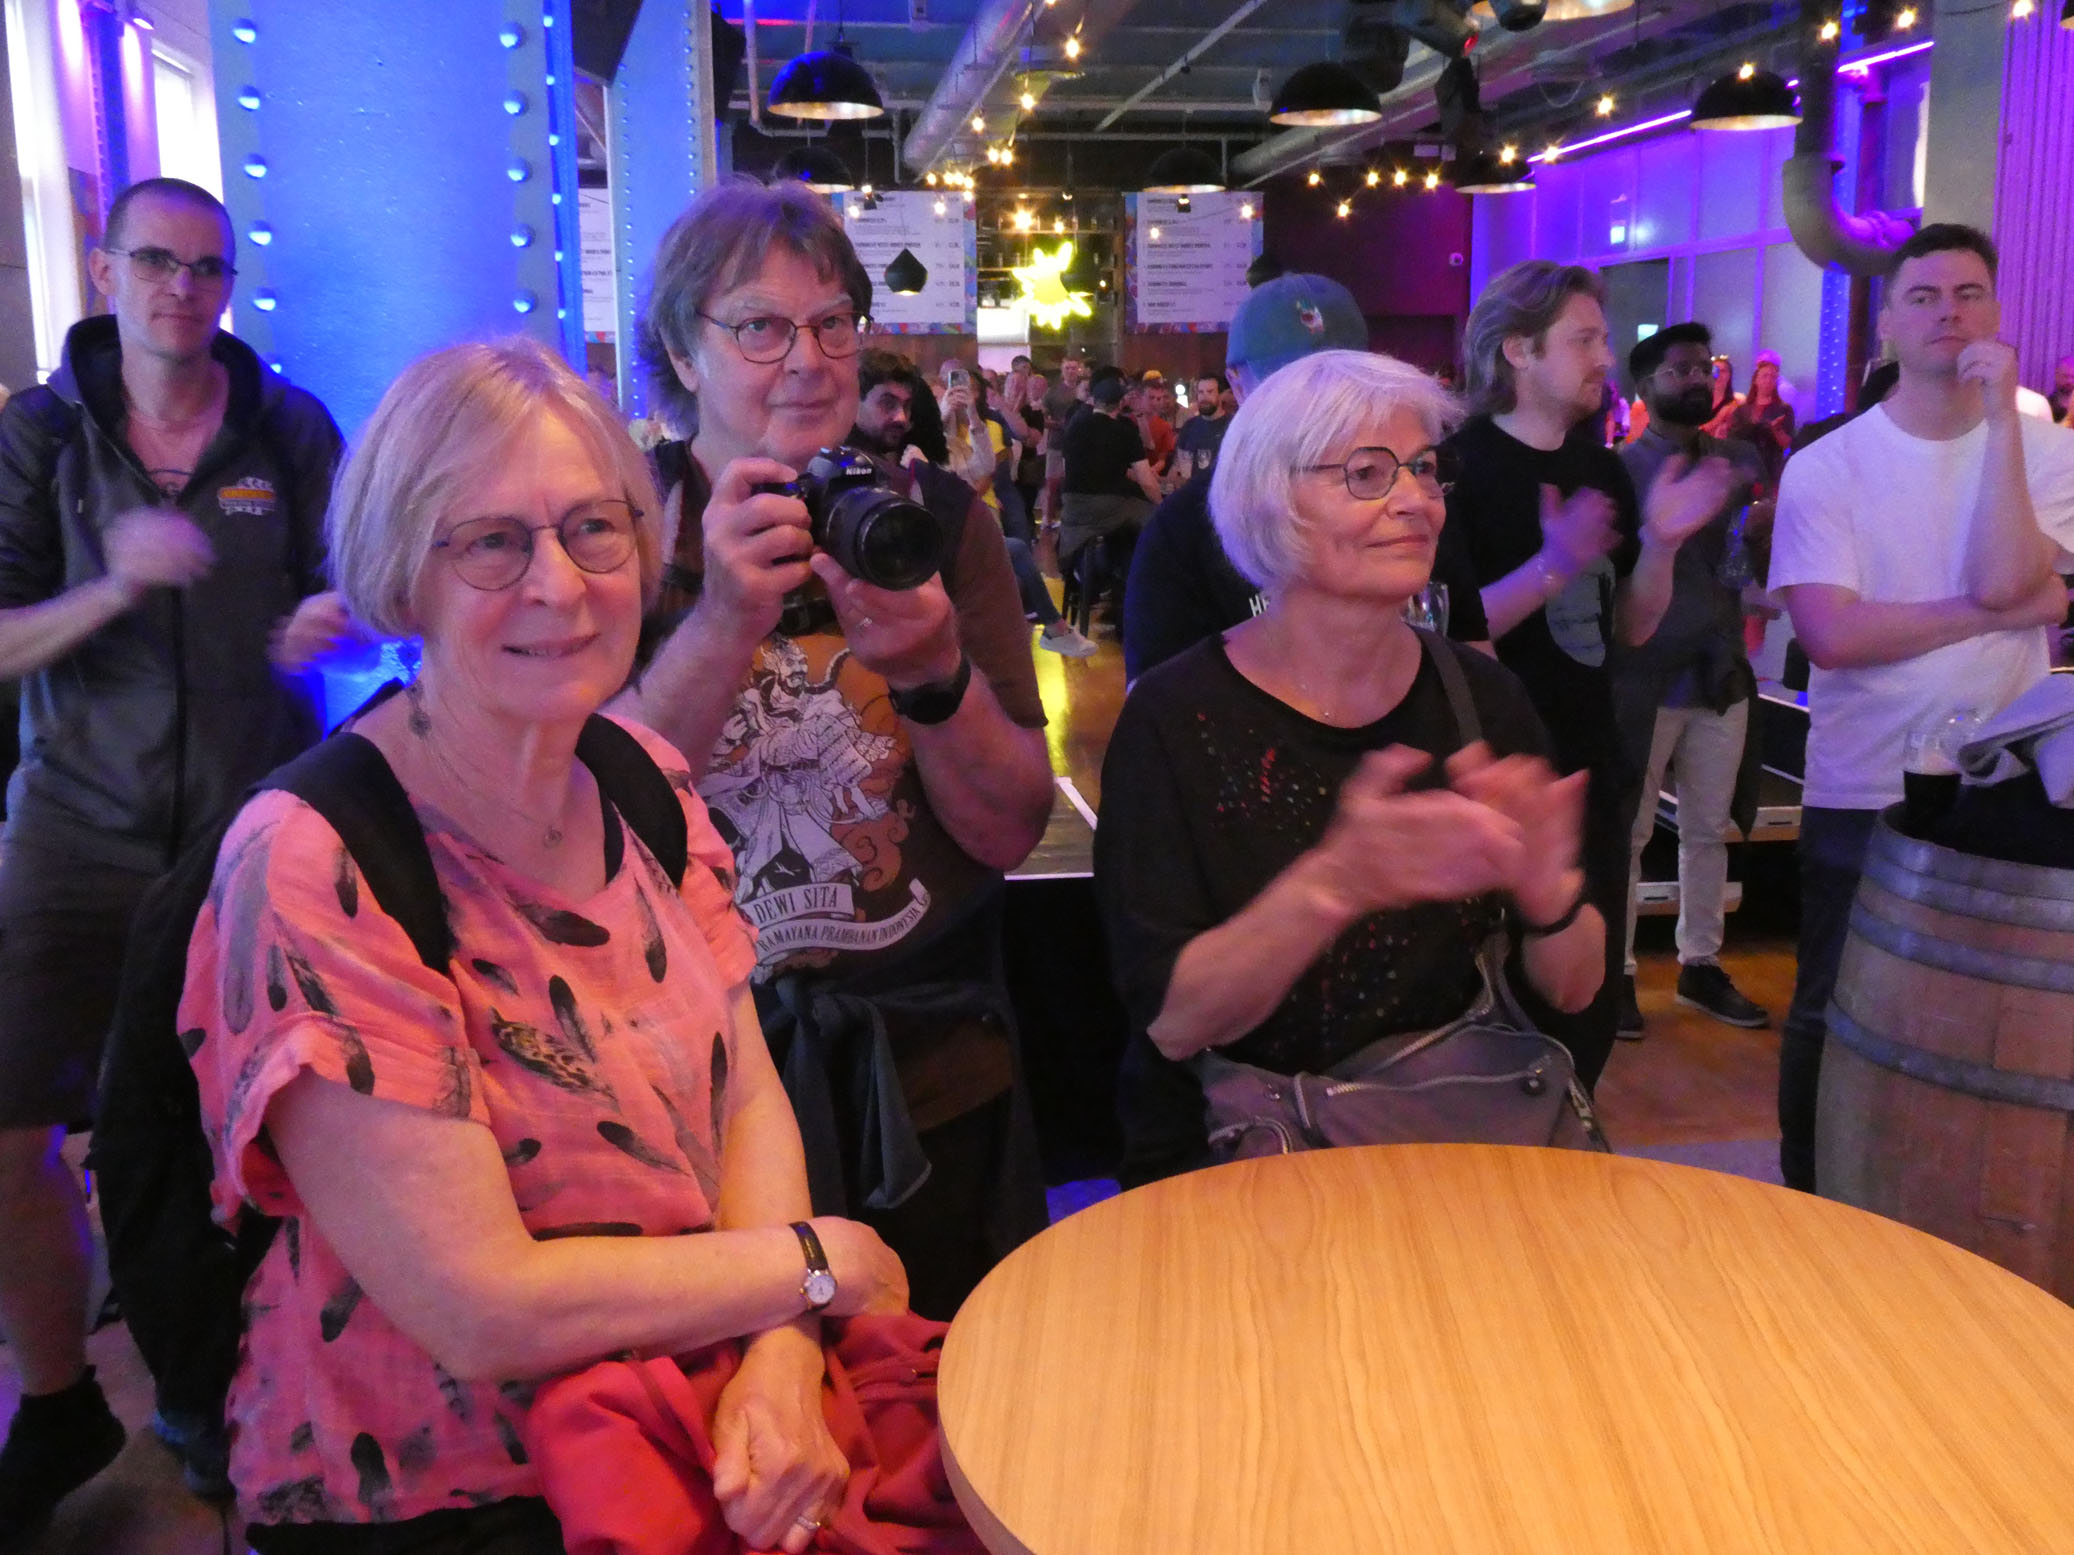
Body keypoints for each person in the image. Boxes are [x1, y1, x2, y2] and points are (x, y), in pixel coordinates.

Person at [181, 337, 915, 1549]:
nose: (560, 587)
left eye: (593, 529)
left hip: (688, 1421)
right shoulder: (316, 857)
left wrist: (781, 1358)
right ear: (400, 577)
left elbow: (744, 1097)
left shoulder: (642, 776)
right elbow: (483, 1308)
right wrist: (815, 1264)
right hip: (446, 1501)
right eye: (490, 542)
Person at [624, 179, 1054, 1319]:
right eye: (761, 327)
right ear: (682, 349)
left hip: (927, 1067)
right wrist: (723, 620)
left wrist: (934, 674)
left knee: (953, 1381)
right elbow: (595, 830)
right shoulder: (622, 533)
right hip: (689, 1082)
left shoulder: (938, 523)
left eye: (832, 323)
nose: (809, 361)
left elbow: (1009, 828)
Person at [0, 177, 349, 1526]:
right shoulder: (40, 437)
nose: (181, 290)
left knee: (236, 1132)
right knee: (12, 1120)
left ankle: (220, 1385)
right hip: (75, 826)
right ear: (107, 270)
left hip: (247, 826)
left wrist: (331, 616)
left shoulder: (286, 426)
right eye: (156, 261)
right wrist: (114, 582)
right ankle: (59, 1399)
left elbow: (359, 579)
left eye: (207, 269)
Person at [1094, 350, 1605, 1186]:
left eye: (1425, 469)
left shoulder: (1482, 699)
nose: (1415, 500)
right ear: (1272, 499)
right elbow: (1176, 1023)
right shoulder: (1174, 718)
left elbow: (1576, 989)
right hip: (1238, 1165)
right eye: (1367, 473)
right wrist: (1337, 882)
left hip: (1451, 1143)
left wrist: (1551, 895)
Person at [1769, 223, 2074, 1193]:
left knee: (1987, 1017)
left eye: (1969, 293)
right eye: (1925, 296)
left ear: (1998, 312)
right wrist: (1994, 612)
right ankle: (1810, 1196)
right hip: (1863, 777)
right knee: (1831, 1003)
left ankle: (1942, 1205)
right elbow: (1833, 636)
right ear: (1889, 324)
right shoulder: (1828, 464)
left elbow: (2009, 577)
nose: (1950, 313)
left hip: (2006, 782)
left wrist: (1999, 426)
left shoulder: (2045, 451)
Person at [1444, 261, 1733, 1082]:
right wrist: (1554, 564)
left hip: (1590, 763)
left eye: (1603, 339)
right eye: (1585, 339)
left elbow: (1631, 626)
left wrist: (1664, 542)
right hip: (1491, 776)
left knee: (1585, 1010)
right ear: (1517, 350)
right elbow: (1453, 630)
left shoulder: (1598, 468)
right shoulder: (1455, 468)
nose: (1606, 357)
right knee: (1494, 1005)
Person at [1123, 273, 1493, 685]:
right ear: (1237, 384)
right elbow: (1155, 704)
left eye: (1342, 381)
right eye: (1292, 384)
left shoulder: (1413, 503)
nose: (1320, 404)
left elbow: (1473, 659)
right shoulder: (1184, 525)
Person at [1613, 323, 1773, 1035]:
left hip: (1719, 667)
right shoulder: (1619, 470)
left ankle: (1699, 963)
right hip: (1642, 673)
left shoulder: (1737, 459)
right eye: (1678, 370)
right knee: (1630, 829)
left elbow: (1744, 567)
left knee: (1708, 827)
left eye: (1702, 367)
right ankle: (1617, 971)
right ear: (1644, 386)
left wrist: (1761, 537)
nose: (1696, 379)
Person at [853, 351, 1092, 659]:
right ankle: (1051, 628)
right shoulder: (902, 451)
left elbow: (985, 467)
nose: (901, 416)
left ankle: (1042, 629)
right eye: (889, 404)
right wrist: (939, 418)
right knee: (1015, 551)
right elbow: (931, 482)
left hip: (963, 527)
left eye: (908, 406)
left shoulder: (955, 441)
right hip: (938, 542)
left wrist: (972, 416)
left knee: (1013, 557)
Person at [1058, 368, 1162, 626]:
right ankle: (1137, 595)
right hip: (1109, 509)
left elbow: (1067, 469)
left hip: (1072, 510)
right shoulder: (1123, 430)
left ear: (1094, 399)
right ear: (1120, 402)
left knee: (1123, 534)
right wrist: (1162, 505)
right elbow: (1146, 480)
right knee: (1154, 523)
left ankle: (1093, 575)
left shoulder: (1075, 424)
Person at [1725, 351, 1796, 487]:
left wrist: (1777, 430)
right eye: (1764, 376)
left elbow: (1788, 444)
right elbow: (1732, 441)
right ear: (1755, 380)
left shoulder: (1784, 410)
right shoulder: (1741, 410)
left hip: (1771, 472)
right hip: (1744, 471)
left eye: (1773, 377)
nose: (1768, 380)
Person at [1171, 373, 1231, 484]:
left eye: (1210, 392)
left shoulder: (1232, 426)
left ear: (1220, 395)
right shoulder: (1189, 426)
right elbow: (1178, 467)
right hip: (1192, 491)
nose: (1204, 397)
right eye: (1201, 392)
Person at [1701, 354, 1742, 436]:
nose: (1718, 375)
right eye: (1715, 371)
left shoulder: (1735, 406)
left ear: (1729, 375)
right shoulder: (1698, 402)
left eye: (1723, 371)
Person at [2051, 354, 2073, 425]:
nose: (2069, 381)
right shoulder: (2046, 405)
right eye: (2065, 376)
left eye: (2073, 377)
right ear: (2057, 375)